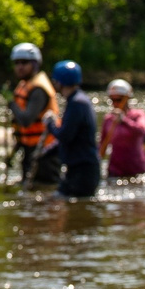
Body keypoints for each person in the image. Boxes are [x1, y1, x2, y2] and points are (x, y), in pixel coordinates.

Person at [9, 43, 60, 187]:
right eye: (17, 63)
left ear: (34, 64)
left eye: (24, 63)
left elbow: (26, 120)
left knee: (45, 190)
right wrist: (14, 152)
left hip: (45, 152)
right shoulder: (25, 85)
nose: (20, 67)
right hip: (29, 149)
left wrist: (11, 104)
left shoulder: (38, 89)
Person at [50, 60, 101, 199]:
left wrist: (51, 125)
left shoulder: (77, 103)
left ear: (60, 82)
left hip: (83, 170)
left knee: (62, 201)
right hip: (79, 168)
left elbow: (65, 135)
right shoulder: (78, 100)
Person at [103, 78, 145, 179]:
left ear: (127, 99)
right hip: (115, 170)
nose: (115, 103)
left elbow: (142, 131)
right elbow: (102, 144)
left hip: (137, 170)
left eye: (119, 100)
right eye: (112, 100)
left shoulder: (138, 115)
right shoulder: (108, 119)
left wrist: (124, 120)